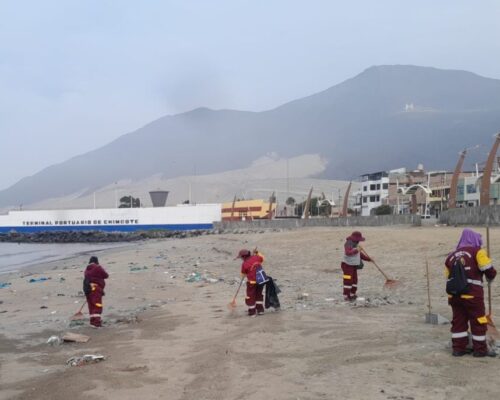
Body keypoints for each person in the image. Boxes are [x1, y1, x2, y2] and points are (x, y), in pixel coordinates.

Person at [445, 228, 497, 357]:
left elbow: (447, 276)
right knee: (478, 321)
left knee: (458, 321)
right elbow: (489, 269)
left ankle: (458, 349)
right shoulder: (477, 252)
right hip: (472, 295)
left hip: (454, 296)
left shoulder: (451, 256)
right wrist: (490, 277)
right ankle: (480, 350)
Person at [341, 231, 372, 301]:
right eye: (358, 239)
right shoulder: (348, 243)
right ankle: (346, 295)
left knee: (354, 280)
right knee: (348, 280)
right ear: (355, 238)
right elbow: (348, 252)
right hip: (347, 265)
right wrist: (357, 250)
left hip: (353, 265)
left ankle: (352, 294)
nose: (359, 241)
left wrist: (369, 259)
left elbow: (359, 255)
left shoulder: (355, 244)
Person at [236, 248, 265, 316]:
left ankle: (252, 312)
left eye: (241, 257)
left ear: (244, 257)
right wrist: (257, 253)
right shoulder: (256, 257)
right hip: (261, 280)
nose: (241, 259)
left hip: (252, 282)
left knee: (250, 296)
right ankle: (260, 310)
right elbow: (262, 258)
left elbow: (243, 274)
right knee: (259, 294)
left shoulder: (244, 264)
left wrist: (246, 274)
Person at [84, 256, 109, 328]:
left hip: (88, 289)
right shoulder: (97, 267)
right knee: (97, 305)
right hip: (96, 289)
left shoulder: (86, 270)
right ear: (96, 261)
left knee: (91, 306)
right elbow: (106, 275)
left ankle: (92, 321)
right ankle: (97, 323)